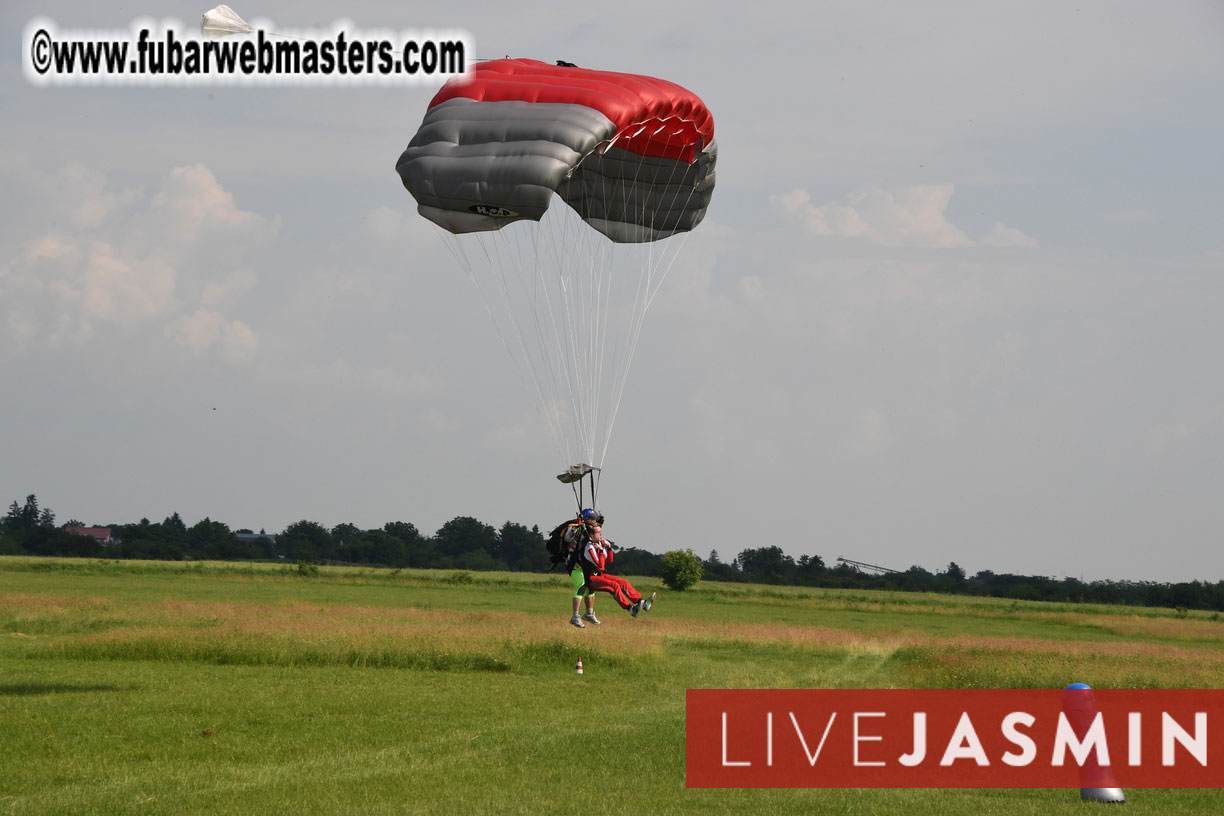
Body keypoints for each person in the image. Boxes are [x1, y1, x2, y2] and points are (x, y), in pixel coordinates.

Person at [578, 521, 655, 617]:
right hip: (591, 578)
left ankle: (641, 602)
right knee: (614, 586)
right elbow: (601, 565)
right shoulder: (589, 547)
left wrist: (609, 547)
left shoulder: (598, 544)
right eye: (598, 532)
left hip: (600, 575)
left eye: (601, 531)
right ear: (591, 534)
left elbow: (609, 560)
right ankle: (630, 609)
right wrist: (601, 550)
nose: (601, 534)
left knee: (623, 582)